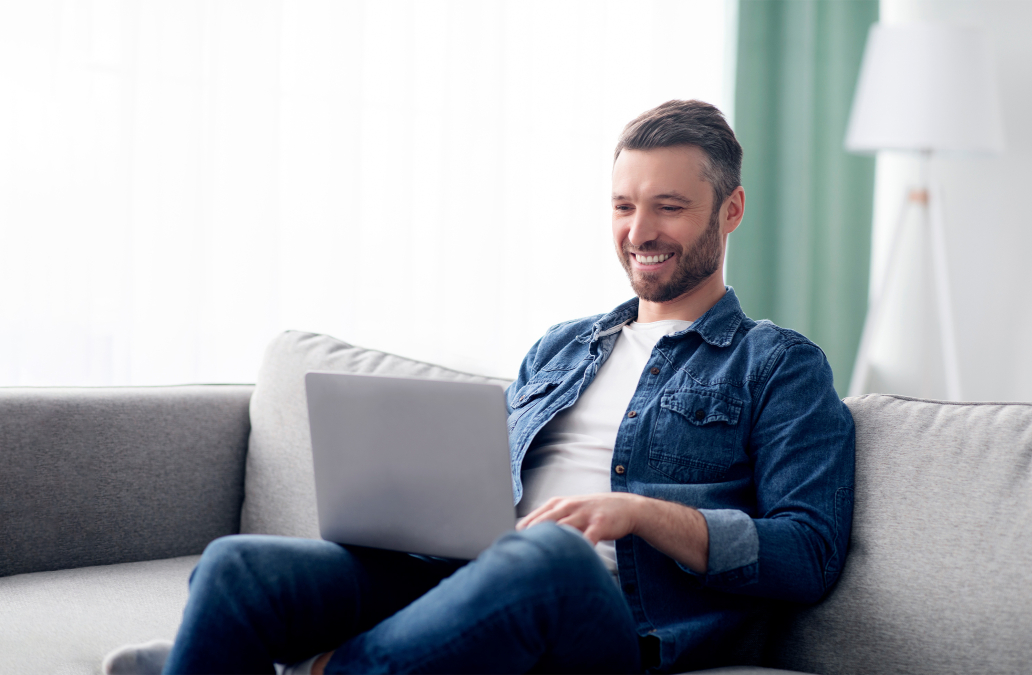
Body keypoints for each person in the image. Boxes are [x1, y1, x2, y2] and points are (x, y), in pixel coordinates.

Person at [103, 99, 855, 675]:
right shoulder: (563, 345)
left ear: (731, 210)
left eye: (669, 206)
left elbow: (809, 551)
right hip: (468, 581)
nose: (638, 230)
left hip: (608, 617)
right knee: (237, 568)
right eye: (624, 206)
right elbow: (475, 489)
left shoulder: (776, 363)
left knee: (550, 556)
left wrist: (637, 512)